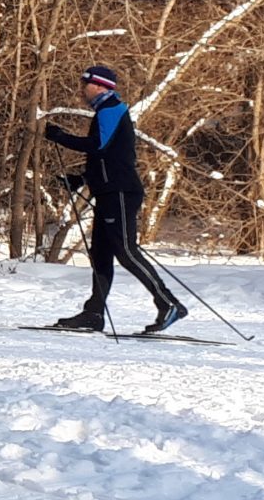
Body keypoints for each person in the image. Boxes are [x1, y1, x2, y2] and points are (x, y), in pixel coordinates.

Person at [44, 64, 184, 334]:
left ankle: (168, 303)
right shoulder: (105, 111)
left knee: (126, 252)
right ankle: (93, 313)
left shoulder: (112, 109)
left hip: (120, 192)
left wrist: (61, 137)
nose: (82, 89)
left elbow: (98, 145)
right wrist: (82, 180)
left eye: (85, 84)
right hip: (109, 191)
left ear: (99, 85)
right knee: (100, 254)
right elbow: (108, 157)